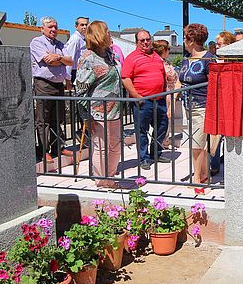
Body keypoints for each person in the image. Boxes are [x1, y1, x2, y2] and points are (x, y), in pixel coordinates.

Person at [75, 21, 123, 189]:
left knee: (115, 146)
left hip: (115, 110)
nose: (110, 34)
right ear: (99, 34)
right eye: (107, 31)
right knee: (101, 148)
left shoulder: (110, 55)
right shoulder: (88, 58)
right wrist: (86, 117)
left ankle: (110, 177)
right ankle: (102, 181)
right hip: (97, 113)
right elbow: (80, 90)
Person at [122, 29, 169, 170]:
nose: (146, 42)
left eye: (148, 39)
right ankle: (144, 158)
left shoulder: (156, 56)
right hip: (143, 101)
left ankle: (156, 152)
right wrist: (136, 96)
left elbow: (162, 75)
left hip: (159, 99)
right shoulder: (131, 58)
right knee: (142, 130)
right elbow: (125, 78)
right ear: (137, 42)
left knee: (162, 126)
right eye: (142, 40)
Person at [30, 16, 73, 160]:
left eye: (55, 27)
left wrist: (58, 58)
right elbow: (48, 62)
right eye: (50, 27)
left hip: (58, 84)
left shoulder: (60, 44)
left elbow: (70, 61)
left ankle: (58, 147)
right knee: (43, 119)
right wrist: (61, 60)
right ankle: (44, 150)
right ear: (42, 29)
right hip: (44, 84)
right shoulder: (37, 42)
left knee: (57, 117)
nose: (54, 29)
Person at [179, 24, 215, 194]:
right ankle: (204, 174)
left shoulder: (209, 59)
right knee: (198, 144)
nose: (183, 41)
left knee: (197, 144)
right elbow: (180, 81)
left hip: (203, 107)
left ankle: (197, 180)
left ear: (191, 40)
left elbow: (214, 84)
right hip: (187, 107)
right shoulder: (187, 59)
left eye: (185, 37)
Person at [209, 31, 236, 174]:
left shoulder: (236, 62)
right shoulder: (212, 61)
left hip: (231, 102)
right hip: (216, 102)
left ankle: (229, 161)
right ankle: (214, 165)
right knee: (215, 134)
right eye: (217, 45)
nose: (218, 47)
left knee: (231, 135)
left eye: (220, 44)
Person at [152, 39, 180, 149]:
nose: (169, 51)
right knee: (162, 122)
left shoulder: (167, 63)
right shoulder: (157, 63)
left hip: (170, 94)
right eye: (168, 49)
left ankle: (164, 142)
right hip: (163, 95)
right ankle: (160, 144)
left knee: (167, 120)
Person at [63, 16, 89, 83]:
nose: (84, 27)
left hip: (81, 71)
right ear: (76, 27)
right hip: (74, 72)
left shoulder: (84, 38)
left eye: (86, 25)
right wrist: (68, 79)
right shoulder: (75, 39)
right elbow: (69, 58)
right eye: (82, 25)